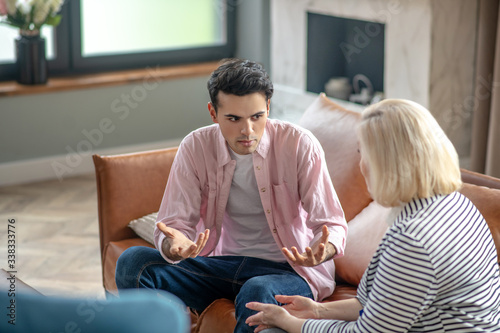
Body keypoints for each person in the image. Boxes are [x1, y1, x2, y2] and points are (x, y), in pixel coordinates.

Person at [115, 58, 348, 333]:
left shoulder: (299, 144)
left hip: (289, 272)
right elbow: (174, 226)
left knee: (256, 291)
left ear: (268, 108)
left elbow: (331, 223)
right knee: (133, 263)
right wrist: (173, 246)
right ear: (213, 113)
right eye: (234, 119)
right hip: (223, 265)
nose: (247, 130)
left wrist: (323, 251)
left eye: (256, 117)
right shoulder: (195, 147)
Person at [246, 99, 500, 332]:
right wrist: (317, 310)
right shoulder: (454, 203)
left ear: (387, 163)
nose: (361, 164)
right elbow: (378, 304)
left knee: (270, 330)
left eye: (362, 152)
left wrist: (290, 323)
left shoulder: (414, 240)